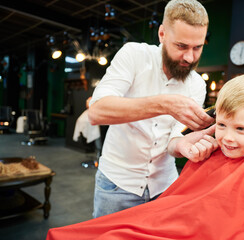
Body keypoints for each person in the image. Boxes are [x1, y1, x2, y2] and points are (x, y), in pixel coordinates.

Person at [47, 73, 244, 240]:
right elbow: (179, 207)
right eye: (222, 125)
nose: (227, 137)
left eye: (241, 129)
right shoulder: (209, 153)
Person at [88, 0, 217, 218]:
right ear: (162, 34)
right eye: (181, 46)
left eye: (198, 47)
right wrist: (165, 104)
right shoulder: (134, 55)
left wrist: (187, 146)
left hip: (165, 186)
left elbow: (174, 141)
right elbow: (97, 111)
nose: (189, 57)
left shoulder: (197, 84)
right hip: (117, 184)